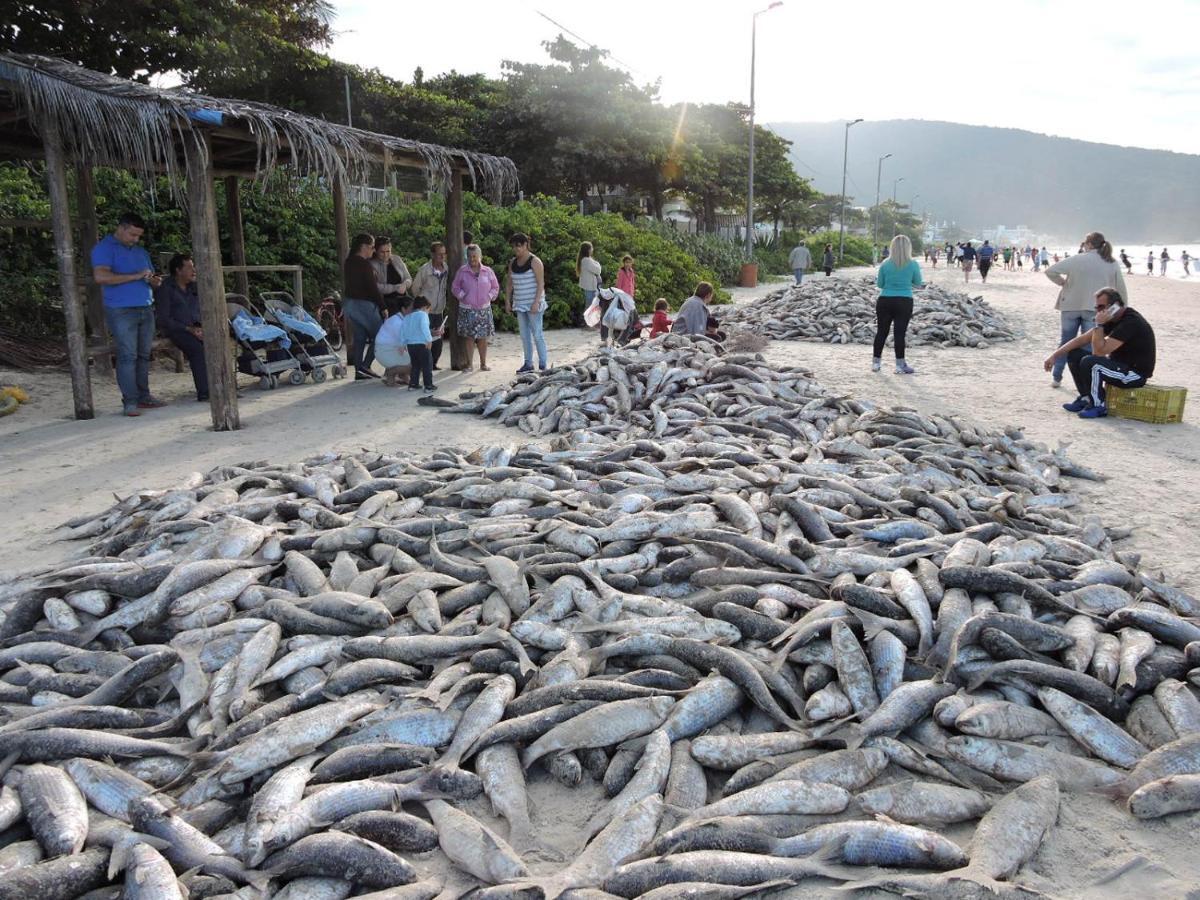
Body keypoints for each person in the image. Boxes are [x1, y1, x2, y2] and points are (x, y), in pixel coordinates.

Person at [91, 212, 166, 416]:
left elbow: (150, 276)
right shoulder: (104, 248)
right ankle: (130, 401)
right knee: (127, 356)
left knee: (143, 355)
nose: (136, 239)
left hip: (145, 306)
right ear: (121, 228)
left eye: (138, 236)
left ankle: (144, 396)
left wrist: (153, 281)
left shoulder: (141, 252)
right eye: (133, 234)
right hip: (120, 309)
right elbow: (101, 276)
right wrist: (136, 276)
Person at [1046, 287, 1155, 418]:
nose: (1098, 311)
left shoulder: (1131, 322)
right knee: (1075, 354)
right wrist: (1055, 356)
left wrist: (1099, 325)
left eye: (1101, 307)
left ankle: (1098, 405)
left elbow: (1099, 351)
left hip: (1135, 374)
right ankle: (1086, 398)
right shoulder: (1114, 319)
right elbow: (1082, 339)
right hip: (1118, 366)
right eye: (1096, 307)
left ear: (1115, 306)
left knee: (1092, 363)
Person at [1043, 231, 1127, 389]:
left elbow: (1050, 271)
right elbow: (1120, 289)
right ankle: (1086, 381)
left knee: (1066, 341)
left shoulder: (1077, 259)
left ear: (1088, 244)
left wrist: (1062, 283)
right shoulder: (1111, 262)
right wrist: (1122, 310)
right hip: (1095, 309)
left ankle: (1056, 377)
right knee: (1089, 346)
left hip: (1070, 306)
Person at [155, 253, 209, 402]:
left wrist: (200, 327)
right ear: (178, 270)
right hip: (177, 329)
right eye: (190, 268)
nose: (194, 271)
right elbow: (164, 319)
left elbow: (203, 308)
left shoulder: (194, 287)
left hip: (197, 327)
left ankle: (222, 385)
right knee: (197, 350)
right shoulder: (165, 289)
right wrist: (188, 329)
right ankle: (205, 392)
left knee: (216, 342)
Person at [872, 234, 923, 375]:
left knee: (881, 332)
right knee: (900, 333)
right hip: (904, 300)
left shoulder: (885, 263)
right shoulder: (913, 264)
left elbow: (880, 284)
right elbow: (918, 283)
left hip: (885, 300)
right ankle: (900, 366)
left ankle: (876, 363)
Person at [342, 232, 385, 380]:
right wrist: (382, 306)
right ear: (364, 247)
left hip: (349, 304)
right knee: (381, 336)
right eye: (372, 247)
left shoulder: (349, 262)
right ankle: (365, 365)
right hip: (363, 304)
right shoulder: (364, 264)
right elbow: (372, 288)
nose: (373, 251)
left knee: (360, 337)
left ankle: (358, 370)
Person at [451, 243, 499, 372]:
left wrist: (489, 296)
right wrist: (463, 296)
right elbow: (455, 287)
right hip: (467, 309)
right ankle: (470, 364)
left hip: (484, 308)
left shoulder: (488, 271)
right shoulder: (462, 271)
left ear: (480, 256)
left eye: (474, 256)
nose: (472, 259)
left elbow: (495, 287)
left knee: (483, 338)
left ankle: (483, 364)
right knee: (469, 337)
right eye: (470, 256)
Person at [506, 233, 548, 372]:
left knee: (537, 333)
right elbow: (509, 283)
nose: (516, 249)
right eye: (513, 246)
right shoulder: (513, 263)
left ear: (525, 245)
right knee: (524, 335)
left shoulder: (535, 261)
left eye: (518, 246)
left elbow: (541, 283)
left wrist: (536, 302)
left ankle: (543, 363)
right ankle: (528, 363)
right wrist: (507, 300)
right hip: (520, 303)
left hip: (533, 302)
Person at [410, 242, 451, 370]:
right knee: (425, 339)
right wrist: (422, 304)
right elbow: (415, 288)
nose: (442, 257)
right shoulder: (424, 270)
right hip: (425, 312)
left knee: (438, 340)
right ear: (433, 254)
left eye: (444, 254)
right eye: (439, 254)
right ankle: (424, 365)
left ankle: (432, 364)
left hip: (439, 310)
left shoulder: (447, 268)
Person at [369, 237, 412, 318]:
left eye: (388, 251)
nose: (385, 255)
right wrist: (395, 287)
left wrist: (405, 284)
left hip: (403, 299)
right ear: (376, 251)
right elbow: (375, 287)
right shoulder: (372, 264)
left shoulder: (397, 259)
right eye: (382, 252)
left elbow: (408, 278)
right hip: (385, 302)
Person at [374, 296, 412, 386]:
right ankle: (390, 373)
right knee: (416, 362)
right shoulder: (397, 322)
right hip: (385, 352)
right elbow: (410, 340)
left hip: (387, 350)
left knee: (411, 357)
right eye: (412, 308)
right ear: (404, 309)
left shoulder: (399, 319)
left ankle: (402, 375)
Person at [402, 296, 435, 392]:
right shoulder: (423, 315)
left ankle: (413, 384)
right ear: (425, 307)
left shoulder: (407, 316)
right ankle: (428, 386)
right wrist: (429, 340)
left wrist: (403, 343)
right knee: (427, 365)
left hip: (411, 345)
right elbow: (424, 327)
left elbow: (403, 330)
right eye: (429, 310)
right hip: (422, 344)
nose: (428, 312)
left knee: (415, 365)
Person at [578, 242, 603, 341]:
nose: (592, 249)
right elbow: (598, 270)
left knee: (593, 305)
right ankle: (589, 325)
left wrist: (596, 263)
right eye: (591, 248)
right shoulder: (586, 260)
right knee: (590, 306)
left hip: (591, 286)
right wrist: (597, 263)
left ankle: (593, 323)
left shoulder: (586, 260)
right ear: (588, 250)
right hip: (590, 287)